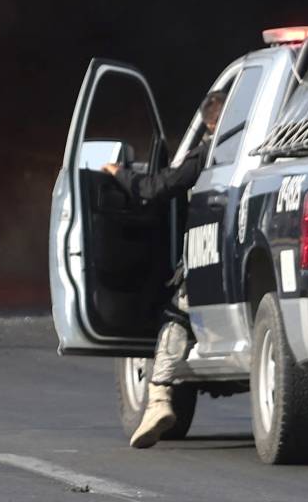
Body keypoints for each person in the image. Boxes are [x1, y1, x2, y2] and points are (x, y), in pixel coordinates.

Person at [105, 89, 225, 449]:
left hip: (212, 256)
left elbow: (159, 187)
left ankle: (158, 399)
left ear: (210, 123)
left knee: (176, 315)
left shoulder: (208, 153)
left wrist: (120, 175)